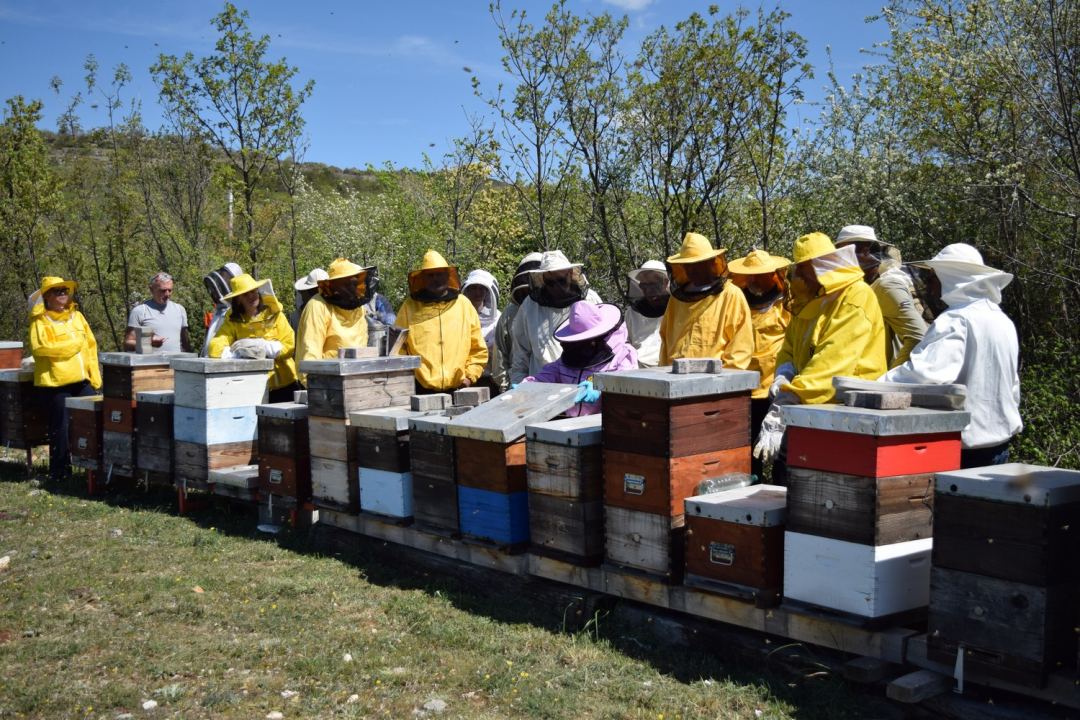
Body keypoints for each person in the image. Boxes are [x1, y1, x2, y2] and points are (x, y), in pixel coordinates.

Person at [754, 233, 887, 481]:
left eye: (804, 269)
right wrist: (783, 375)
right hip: (808, 408)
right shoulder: (809, 299)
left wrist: (785, 403)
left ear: (822, 266)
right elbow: (790, 347)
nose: (801, 276)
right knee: (789, 483)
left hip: (846, 412)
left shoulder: (856, 296)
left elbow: (833, 362)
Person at [881, 243, 1022, 468]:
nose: (928, 285)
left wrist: (873, 385)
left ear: (951, 278)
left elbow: (925, 374)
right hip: (999, 444)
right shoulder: (1001, 319)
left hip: (964, 450)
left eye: (933, 278)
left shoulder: (957, 320)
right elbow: (1013, 386)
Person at [28, 276, 101, 482]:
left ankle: (94, 473)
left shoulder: (77, 317)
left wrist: (94, 377)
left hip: (81, 381)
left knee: (94, 423)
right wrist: (72, 346)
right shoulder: (40, 320)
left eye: (64, 290)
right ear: (47, 296)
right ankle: (60, 474)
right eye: (57, 290)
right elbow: (40, 349)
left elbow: (91, 347)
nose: (62, 293)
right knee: (60, 428)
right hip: (55, 384)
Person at [728, 249, 792, 481]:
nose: (752, 280)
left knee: (782, 450)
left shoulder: (786, 304)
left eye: (758, 275)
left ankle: (781, 494)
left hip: (777, 388)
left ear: (773, 275)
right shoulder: (737, 302)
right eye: (749, 276)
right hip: (745, 388)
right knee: (747, 450)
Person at [835, 225, 927, 368]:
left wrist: (892, 377)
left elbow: (919, 337)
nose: (839, 260)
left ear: (865, 252)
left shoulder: (886, 286)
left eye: (843, 253)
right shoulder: (867, 283)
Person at [395, 250, 488, 393]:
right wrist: (407, 375)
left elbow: (478, 348)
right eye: (430, 275)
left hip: (460, 388)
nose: (435, 279)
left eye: (439, 274)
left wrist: (469, 377)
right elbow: (398, 347)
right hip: (419, 389)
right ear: (423, 279)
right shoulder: (409, 306)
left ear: (448, 276)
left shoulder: (463, 304)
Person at [522, 302, 637, 416]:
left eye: (585, 340)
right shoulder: (572, 355)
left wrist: (601, 387)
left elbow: (628, 386)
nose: (580, 344)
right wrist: (530, 386)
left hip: (610, 424)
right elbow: (551, 373)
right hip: (572, 424)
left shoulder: (624, 354)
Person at [659, 232, 753, 369]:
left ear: (711, 262)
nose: (691, 270)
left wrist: (728, 380)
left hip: (714, 382)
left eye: (696, 264)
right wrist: (663, 372)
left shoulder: (730, 294)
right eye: (687, 265)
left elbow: (740, 347)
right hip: (676, 378)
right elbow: (666, 340)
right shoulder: (677, 298)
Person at [510, 250, 602, 385]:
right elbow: (520, 353)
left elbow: (608, 343)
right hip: (540, 385)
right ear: (543, 279)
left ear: (570, 274)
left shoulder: (591, 299)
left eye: (561, 281)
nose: (555, 287)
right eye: (550, 283)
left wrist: (598, 383)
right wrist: (518, 386)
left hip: (582, 384)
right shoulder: (529, 306)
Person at [208, 273, 299, 404]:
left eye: (253, 291)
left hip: (286, 384)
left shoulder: (275, 314)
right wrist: (243, 354)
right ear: (238, 299)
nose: (251, 296)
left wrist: (260, 345)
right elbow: (214, 349)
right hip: (253, 387)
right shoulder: (233, 321)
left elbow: (288, 347)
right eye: (245, 294)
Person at [295, 258, 373, 386]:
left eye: (354, 283)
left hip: (357, 381)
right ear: (334, 284)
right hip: (326, 384)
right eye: (346, 284)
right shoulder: (317, 305)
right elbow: (310, 352)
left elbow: (361, 344)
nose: (351, 288)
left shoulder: (357, 307)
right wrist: (314, 386)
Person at [492, 252, 542, 392]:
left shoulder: (556, 309)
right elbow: (500, 358)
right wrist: (508, 388)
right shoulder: (509, 314)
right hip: (519, 387)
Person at [123, 272, 192, 353]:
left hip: (175, 364)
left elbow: (186, 343)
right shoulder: (140, 311)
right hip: (150, 364)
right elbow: (127, 343)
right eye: (162, 290)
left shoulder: (180, 309)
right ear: (151, 289)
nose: (167, 294)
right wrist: (149, 344)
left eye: (170, 290)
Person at [625, 260, 669, 368]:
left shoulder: (677, 309)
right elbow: (626, 343)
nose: (648, 290)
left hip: (667, 369)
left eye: (653, 285)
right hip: (637, 370)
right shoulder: (632, 312)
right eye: (644, 286)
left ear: (665, 282)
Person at [461, 269, 501, 389]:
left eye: (481, 288)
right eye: (474, 288)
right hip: (463, 380)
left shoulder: (498, 318)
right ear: (467, 290)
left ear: (487, 291)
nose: (477, 292)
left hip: (489, 380)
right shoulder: (459, 316)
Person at [200, 262, 243, 357]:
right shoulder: (218, 309)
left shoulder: (236, 313)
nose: (222, 283)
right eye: (222, 279)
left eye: (226, 279)